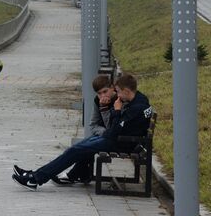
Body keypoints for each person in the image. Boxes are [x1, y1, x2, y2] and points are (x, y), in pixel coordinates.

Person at [12, 74, 153, 191]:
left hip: (122, 143)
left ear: (126, 91)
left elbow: (113, 130)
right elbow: (110, 128)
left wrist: (116, 110)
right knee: (78, 149)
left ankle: (35, 179)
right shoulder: (140, 99)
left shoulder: (135, 108)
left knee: (75, 150)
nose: (118, 96)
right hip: (122, 140)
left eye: (119, 92)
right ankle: (38, 175)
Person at [53, 74, 117, 184]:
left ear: (112, 87)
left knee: (81, 148)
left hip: (115, 140)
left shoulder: (119, 100)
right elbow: (93, 125)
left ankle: (73, 175)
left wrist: (104, 108)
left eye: (105, 91)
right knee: (82, 146)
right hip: (104, 136)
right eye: (99, 93)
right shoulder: (98, 100)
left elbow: (114, 128)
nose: (102, 96)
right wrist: (104, 132)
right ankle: (78, 174)